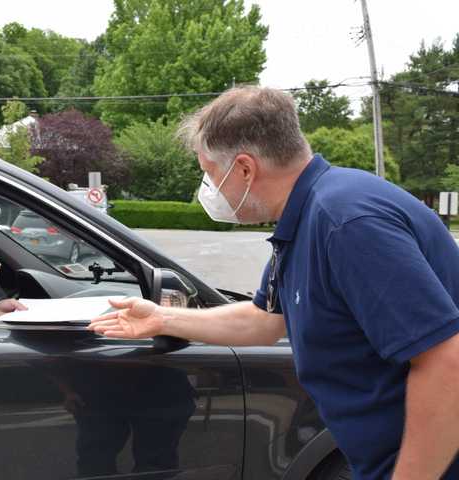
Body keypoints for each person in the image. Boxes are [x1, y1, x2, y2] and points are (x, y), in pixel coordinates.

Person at [89, 86, 459, 479]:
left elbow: (445, 362)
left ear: (245, 169)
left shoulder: (346, 223)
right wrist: (162, 319)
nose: (209, 189)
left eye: (210, 173)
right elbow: (264, 319)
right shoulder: (306, 217)